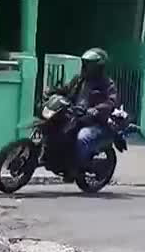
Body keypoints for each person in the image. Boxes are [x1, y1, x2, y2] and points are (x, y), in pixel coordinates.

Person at [49, 48, 120, 181]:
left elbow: (111, 101)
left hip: (96, 122)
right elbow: (65, 90)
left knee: (83, 137)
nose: (87, 68)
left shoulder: (107, 84)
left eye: (90, 65)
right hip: (77, 117)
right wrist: (52, 92)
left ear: (99, 67)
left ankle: (76, 168)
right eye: (86, 64)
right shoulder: (78, 80)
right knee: (56, 127)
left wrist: (96, 109)